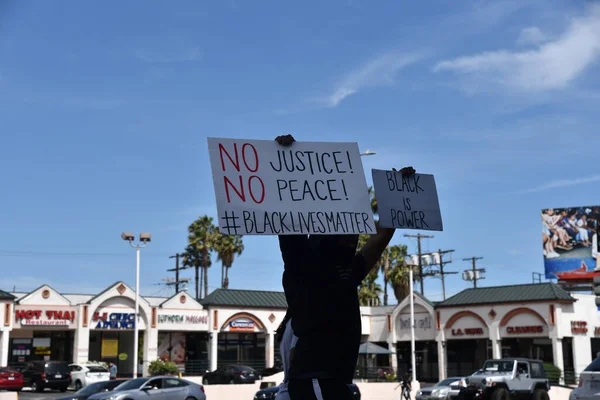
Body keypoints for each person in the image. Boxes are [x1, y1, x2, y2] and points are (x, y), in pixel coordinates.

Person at [275, 134, 413, 400]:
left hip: (335, 381)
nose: (356, 231)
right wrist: (283, 159)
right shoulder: (303, 265)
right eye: (348, 224)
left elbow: (381, 237)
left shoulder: (348, 270)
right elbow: (287, 219)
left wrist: (396, 192)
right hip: (314, 382)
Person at [275, 310, 298, 400]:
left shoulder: (290, 322)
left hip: (286, 391)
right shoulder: (299, 322)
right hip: (294, 391)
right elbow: (294, 357)